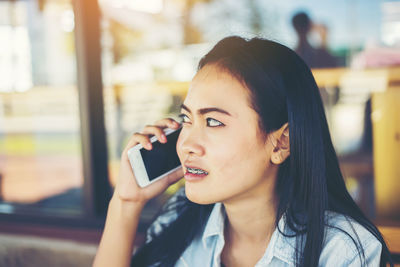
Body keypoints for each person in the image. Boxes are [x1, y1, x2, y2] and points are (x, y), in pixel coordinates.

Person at [93, 36, 393, 267]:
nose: (186, 144)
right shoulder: (178, 220)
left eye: (213, 122)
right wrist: (125, 202)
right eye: (187, 119)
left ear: (281, 142)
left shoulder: (342, 251)